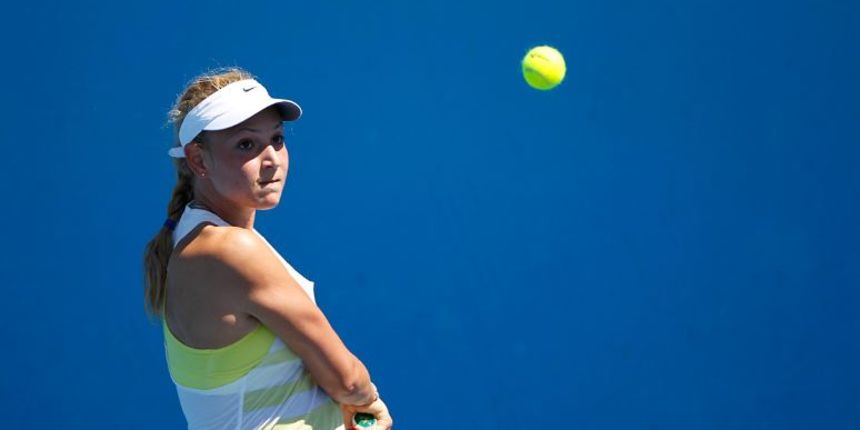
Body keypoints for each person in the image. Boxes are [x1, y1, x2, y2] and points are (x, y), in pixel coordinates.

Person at [143, 67, 393, 430]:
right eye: (247, 144)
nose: (272, 158)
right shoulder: (230, 250)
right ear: (198, 159)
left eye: (277, 139)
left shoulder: (197, 242)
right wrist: (368, 400)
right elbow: (348, 380)